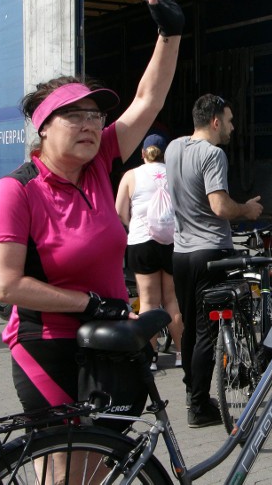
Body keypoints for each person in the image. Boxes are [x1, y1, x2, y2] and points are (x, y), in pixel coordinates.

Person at [0, 0, 183, 420]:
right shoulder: (16, 191)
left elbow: (147, 99)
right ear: (43, 128)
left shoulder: (99, 165)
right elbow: (5, 285)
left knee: (101, 457)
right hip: (49, 344)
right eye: (75, 116)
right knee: (65, 461)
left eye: (95, 115)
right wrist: (88, 302)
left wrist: (169, 34)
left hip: (107, 335)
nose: (91, 126)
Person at [165, 94, 263, 428]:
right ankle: (198, 407)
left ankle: (194, 394)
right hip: (210, 253)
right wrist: (247, 210)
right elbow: (220, 207)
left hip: (180, 254)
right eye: (230, 120)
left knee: (191, 328)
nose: (233, 128)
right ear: (216, 121)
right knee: (209, 331)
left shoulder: (173, 148)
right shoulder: (213, 154)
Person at [115, 131, 183, 370]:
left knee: (148, 302)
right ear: (165, 154)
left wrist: (133, 223)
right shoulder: (176, 174)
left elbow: (120, 212)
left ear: (143, 153)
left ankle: (151, 357)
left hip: (142, 242)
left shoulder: (130, 176)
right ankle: (180, 354)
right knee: (172, 300)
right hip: (173, 242)